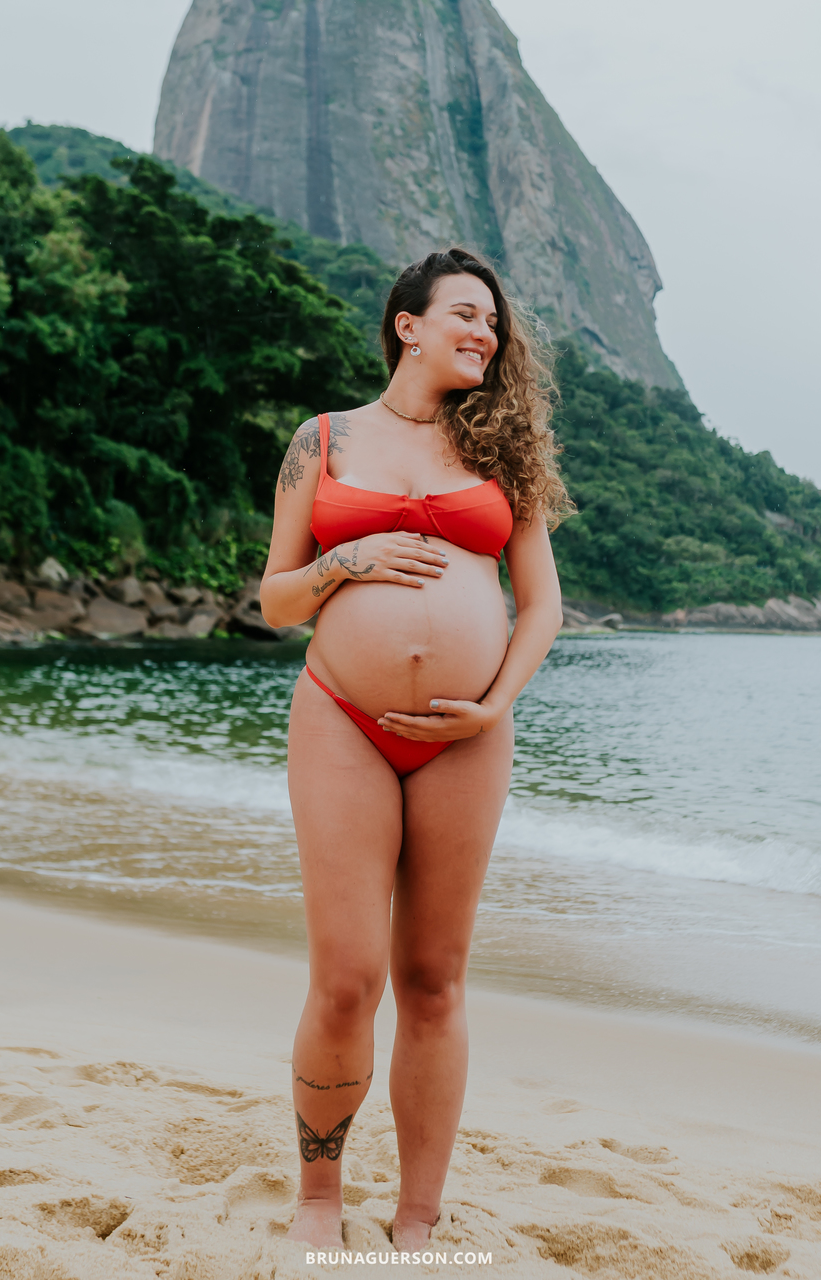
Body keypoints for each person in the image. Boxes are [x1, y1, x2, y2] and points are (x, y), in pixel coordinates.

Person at [260, 246, 570, 1253]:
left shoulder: (500, 454)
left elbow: (543, 605)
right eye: (467, 315)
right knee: (346, 976)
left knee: (433, 978)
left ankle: (421, 1217)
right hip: (341, 716)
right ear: (408, 325)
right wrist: (344, 560)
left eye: (494, 324)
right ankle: (318, 1199)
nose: (487, 333)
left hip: (466, 738)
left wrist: (494, 706)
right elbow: (273, 602)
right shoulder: (323, 439)